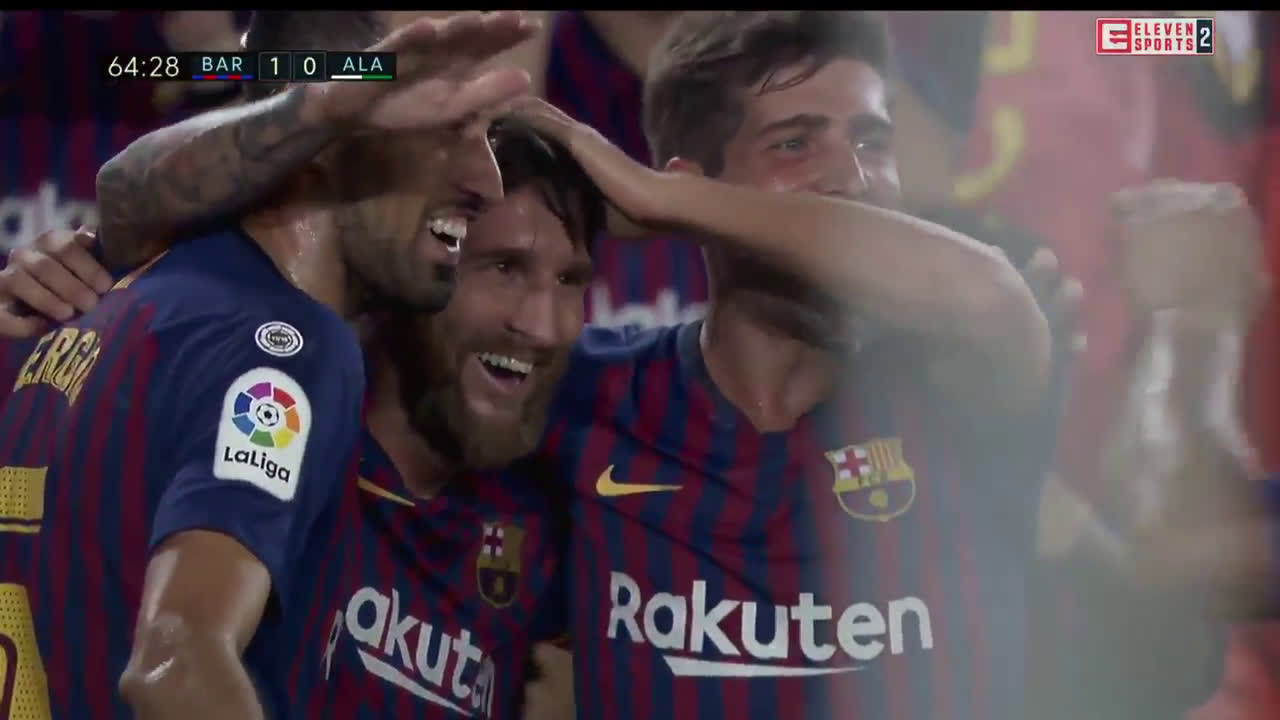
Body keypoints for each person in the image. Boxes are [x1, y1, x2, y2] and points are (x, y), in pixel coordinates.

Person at [17, 11, 1233, 719]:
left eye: (872, 143)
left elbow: (990, 295)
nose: (850, 177)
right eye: (796, 142)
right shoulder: (580, 397)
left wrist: (656, 196)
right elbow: (150, 161)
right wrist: (130, 266)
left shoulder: (958, 384)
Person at [0, 10, 536, 719]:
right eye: (448, 130)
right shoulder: (289, 348)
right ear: (321, 145)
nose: (488, 184)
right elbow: (174, 666)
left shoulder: (94, 310)